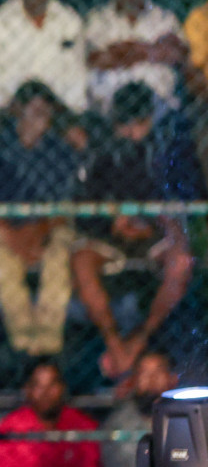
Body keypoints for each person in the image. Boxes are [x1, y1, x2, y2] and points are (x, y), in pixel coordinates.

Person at [71, 82, 196, 379]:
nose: (130, 131)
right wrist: (113, 219)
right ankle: (115, 344)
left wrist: (148, 221)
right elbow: (85, 202)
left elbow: (181, 199)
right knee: (81, 262)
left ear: (150, 119)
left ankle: (140, 338)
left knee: (181, 263)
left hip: (153, 234)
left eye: (138, 122)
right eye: (123, 123)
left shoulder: (168, 147)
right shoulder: (101, 150)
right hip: (109, 234)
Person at [0, 81, 81, 357]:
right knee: (1, 260)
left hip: (49, 228)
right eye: (33, 109)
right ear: (18, 110)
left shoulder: (59, 150)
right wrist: (12, 235)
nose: (40, 117)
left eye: (45, 110)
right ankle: (24, 344)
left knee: (60, 255)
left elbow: (63, 207)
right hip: (5, 229)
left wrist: (37, 233)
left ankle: (46, 346)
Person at [82, 0, 185, 113]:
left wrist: (123, 50)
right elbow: (98, 59)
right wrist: (150, 50)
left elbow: (177, 55)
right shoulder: (98, 19)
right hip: (110, 108)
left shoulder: (165, 18)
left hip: (159, 107)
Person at [0, 359, 101, 467]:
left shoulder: (83, 426)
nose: (45, 393)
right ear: (28, 390)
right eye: (38, 386)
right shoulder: (10, 428)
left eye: (52, 385)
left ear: (63, 388)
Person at [101, 349, 176, 467]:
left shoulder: (189, 419)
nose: (152, 379)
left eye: (158, 372)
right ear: (133, 381)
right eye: (144, 373)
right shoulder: (117, 423)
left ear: (173, 379)